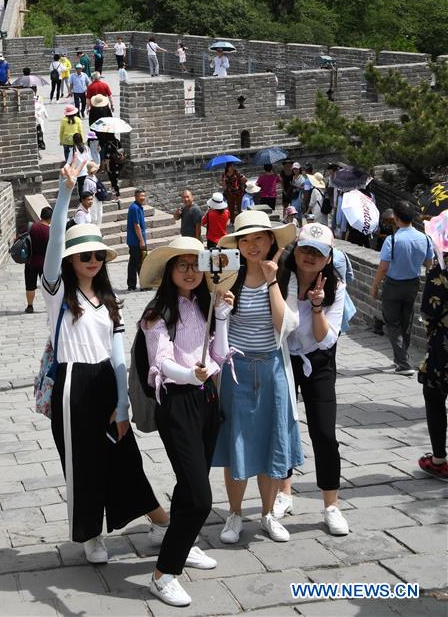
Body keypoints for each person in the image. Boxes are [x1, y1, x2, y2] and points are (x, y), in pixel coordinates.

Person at [41, 160, 166, 563]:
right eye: (84, 256)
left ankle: (160, 521)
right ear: (71, 261)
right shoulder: (59, 295)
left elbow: (117, 357)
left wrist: (123, 402)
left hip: (107, 383)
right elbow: (55, 239)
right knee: (84, 462)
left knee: (125, 455)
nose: (92, 261)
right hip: (72, 383)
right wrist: (65, 193)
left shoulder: (111, 302)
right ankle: (91, 534)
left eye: (97, 254)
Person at [141, 237, 234, 607]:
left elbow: (220, 354)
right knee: (199, 496)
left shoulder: (205, 305)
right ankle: (163, 574)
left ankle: (185, 542)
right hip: (177, 404)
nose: (191, 272)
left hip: (208, 399)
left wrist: (223, 318)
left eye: (196, 264)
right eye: (182, 265)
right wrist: (188, 374)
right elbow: (160, 362)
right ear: (169, 271)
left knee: (188, 483)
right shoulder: (156, 313)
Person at [213, 210, 302, 544]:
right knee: (236, 442)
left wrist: (272, 280)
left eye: (258, 238)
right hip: (236, 371)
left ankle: (266, 514)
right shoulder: (226, 277)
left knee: (270, 443)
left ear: (270, 242)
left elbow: (284, 327)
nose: (252, 245)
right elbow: (218, 328)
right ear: (238, 244)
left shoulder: (283, 278)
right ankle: (235, 514)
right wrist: (222, 308)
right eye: (245, 239)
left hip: (272, 369)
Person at [275, 223, 350, 536]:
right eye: (305, 249)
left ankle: (331, 505)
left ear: (328, 257)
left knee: (324, 431)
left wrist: (318, 305)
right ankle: (284, 493)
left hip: (317, 362)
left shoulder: (336, 286)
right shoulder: (280, 278)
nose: (310, 256)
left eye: (317, 252)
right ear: (296, 250)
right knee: (282, 427)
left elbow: (324, 339)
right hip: (282, 358)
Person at [371, 200, 434, 375]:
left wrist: (374, 286)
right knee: (406, 322)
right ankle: (402, 357)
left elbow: (383, 267)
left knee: (392, 323)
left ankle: (403, 364)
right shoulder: (425, 239)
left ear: (396, 218)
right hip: (413, 284)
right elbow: (429, 264)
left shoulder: (392, 240)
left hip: (393, 285)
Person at [417, 226, 448, 481]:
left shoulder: (441, 267)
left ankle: (439, 459)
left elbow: (429, 309)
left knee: (435, 394)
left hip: (444, 345)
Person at [24, 206, 53, 314]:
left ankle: (30, 306)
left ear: (41, 216)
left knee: (30, 286)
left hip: (30, 261)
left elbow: (18, 238)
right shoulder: (50, 231)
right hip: (45, 263)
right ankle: (50, 305)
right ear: (51, 218)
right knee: (47, 286)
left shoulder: (31, 227)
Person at [127, 189, 147, 291]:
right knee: (140, 262)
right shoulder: (135, 208)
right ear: (135, 197)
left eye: (144, 195)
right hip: (136, 241)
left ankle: (131, 285)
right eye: (140, 196)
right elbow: (136, 225)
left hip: (134, 240)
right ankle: (143, 284)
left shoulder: (137, 207)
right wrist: (141, 240)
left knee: (133, 263)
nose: (143, 197)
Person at [82, 162, 104, 226]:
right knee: (94, 215)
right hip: (92, 199)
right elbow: (86, 192)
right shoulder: (87, 180)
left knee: (99, 213)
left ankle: (98, 229)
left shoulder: (94, 177)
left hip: (98, 197)